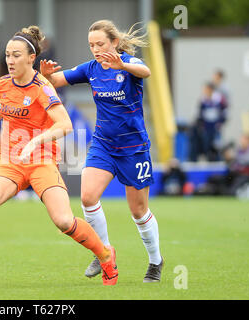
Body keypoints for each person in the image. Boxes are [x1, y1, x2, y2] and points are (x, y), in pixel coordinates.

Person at [0, 25, 118, 286]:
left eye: (16, 55)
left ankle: (105, 255)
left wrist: (36, 141)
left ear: (31, 58)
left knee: (64, 221)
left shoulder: (42, 88)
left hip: (41, 161)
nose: (10, 60)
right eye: (7, 55)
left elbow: (65, 125)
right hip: (10, 160)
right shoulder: (3, 84)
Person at [40, 20, 163, 282]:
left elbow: (146, 71)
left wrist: (122, 65)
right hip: (103, 144)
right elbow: (56, 82)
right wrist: (46, 74)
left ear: (114, 43)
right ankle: (104, 252)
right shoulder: (91, 69)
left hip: (134, 148)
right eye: (91, 45)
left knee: (138, 211)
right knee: (87, 197)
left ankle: (155, 262)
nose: (95, 49)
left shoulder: (129, 64)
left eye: (100, 44)